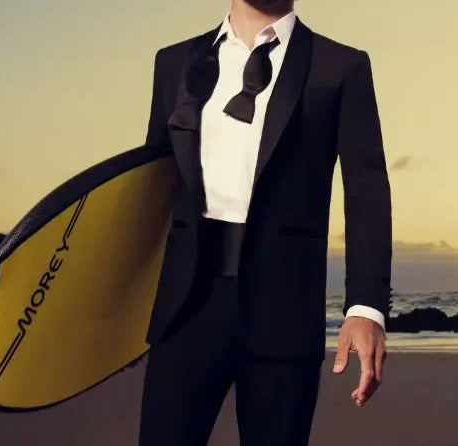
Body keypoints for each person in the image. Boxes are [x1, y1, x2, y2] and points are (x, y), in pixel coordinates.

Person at [139, 0, 392, 444]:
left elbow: (366, 189)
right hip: (185, 307)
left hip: (285, 310)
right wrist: (121, 305)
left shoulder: (341, 67)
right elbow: (151, 187)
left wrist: (365, 308)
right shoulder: (173, 62)